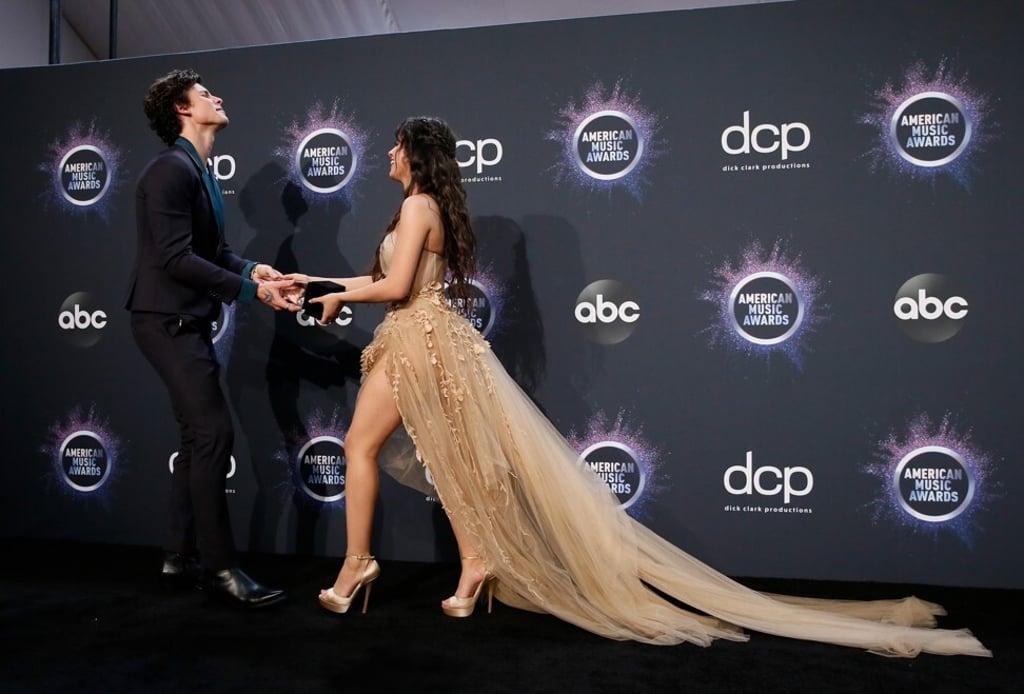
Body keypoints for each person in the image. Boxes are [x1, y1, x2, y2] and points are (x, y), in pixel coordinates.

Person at [285, 116, 991, 656]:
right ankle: (473, 567)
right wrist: (326, 288)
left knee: (361, 448)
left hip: (417, 344)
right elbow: (388, 283)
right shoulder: (427, 207)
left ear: (415, 153)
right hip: (435, 342)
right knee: (454, 463)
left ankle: (356, 565)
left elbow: (399, 286)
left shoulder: (415, 208)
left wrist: (340, 293)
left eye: (395, 147)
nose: (386, 156)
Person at [125, 68, 299, 608]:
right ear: (182, 109)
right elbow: (176, 259)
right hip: (165, 320)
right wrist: (252, 295)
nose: (217, 97)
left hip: (183, 319)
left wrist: (255, 272)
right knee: (214, 435)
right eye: (204, 94)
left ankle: (177, 556)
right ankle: (221, 568)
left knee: (199, 438)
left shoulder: (196, 170)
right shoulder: (168, 172)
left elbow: (212, 253)